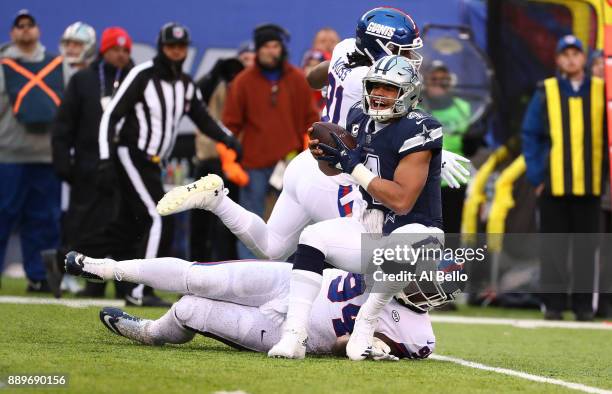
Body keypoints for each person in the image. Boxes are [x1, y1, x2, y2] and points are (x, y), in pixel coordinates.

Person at [156, 8, 470, 265]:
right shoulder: (372, 81)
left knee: (272, 246)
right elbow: (380, 139)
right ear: (381, 46)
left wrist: (336, 66)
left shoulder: (345, 48)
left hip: (307, 163)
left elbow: (312, 78)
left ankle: (217, 201)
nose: (413, 57)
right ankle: (343, 325)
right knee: (373, 257)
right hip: (337, 174)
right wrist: (429, 153)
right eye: (405, 51)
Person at [268, 55, 452, 360]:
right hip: (370, 227)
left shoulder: (422, 127)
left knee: (408, 242)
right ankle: (294, 335)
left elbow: (401, 200)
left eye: (389, 88)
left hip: (419, 234)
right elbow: (341, 170)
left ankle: (366, 324)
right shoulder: (359, 116)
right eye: (374, 86)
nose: (378, 94)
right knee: (312, 237)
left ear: (408, 92)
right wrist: (328, 157)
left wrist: (354, 167)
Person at [97, 22, 241, 306]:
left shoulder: (186, 84)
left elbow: (202, 117)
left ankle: (126, 284)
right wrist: (105, 158)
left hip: (154, 162)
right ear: (162, 48)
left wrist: (228, 138)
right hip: (132, 154)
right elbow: (110, 116)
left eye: (181, 47)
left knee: (135, 223)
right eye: (171, 47)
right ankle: (138, 292)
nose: (176, 52)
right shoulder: (142, 76)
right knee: (157, 217)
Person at [65, 252, 435, 360]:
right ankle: (110, 268)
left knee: (190, 309)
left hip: (294, 331)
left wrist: (362, 347)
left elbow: (345, 347)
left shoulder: (418, 336)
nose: (423, 288)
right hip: (295, 282)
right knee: (201, 278)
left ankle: (149, 332)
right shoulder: (391, 250)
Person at [521, 35, 605, 321]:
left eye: (576, 54)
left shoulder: (601, 91)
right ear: (558, 60)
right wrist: (536, 176)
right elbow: (530, 135)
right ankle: (553, 305)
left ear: (585, 58)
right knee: (554, 246)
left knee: (586, 247)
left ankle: (583, 308)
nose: (571, 59)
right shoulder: (547, 90)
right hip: (553, 183)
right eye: (565, 54)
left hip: (591, 184)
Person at [222, 23, 320, 259]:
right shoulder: (243, 82)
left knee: (292, 226)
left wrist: (309, 157)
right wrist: (228, 160)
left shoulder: (298, 79)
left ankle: (289, 276)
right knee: (249, 223)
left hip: (290, 165)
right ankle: (247, 280)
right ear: (257, 50)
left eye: (275, 45)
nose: (271, 51)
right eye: (266, 46)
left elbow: (311, 122)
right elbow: (229, 126)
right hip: (252, 165)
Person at [50, 27, 134, 298]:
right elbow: (63, 126)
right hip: (88, 168)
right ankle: (84, 280)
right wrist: (63, 162)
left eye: (125, 50)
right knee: (86, 227)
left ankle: (125, 285)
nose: (120, 55)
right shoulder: (83, 80)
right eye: (115, 49)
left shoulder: (137, 80)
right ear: (103, 50)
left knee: (126, 227)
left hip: (126, 169)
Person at [0, 10, 64, 292]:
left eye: (30, 25)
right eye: (19, 26)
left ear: (37, 30)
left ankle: (39, 278)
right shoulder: (2, 65)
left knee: (44, 220)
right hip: (8, 155)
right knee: (2, 216)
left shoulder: (57, 65)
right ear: (13, 32)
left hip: (45, 156)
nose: (25, 30)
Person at [420, 61, 472, 239]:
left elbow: (471, 143)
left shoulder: (464, 108)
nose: (439, 82)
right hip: (422, 180)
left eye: (444, 79)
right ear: (426, 81)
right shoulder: (416, 106)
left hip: (454, 181)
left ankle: (451, 266)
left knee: (451, 233)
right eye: (434, 78)